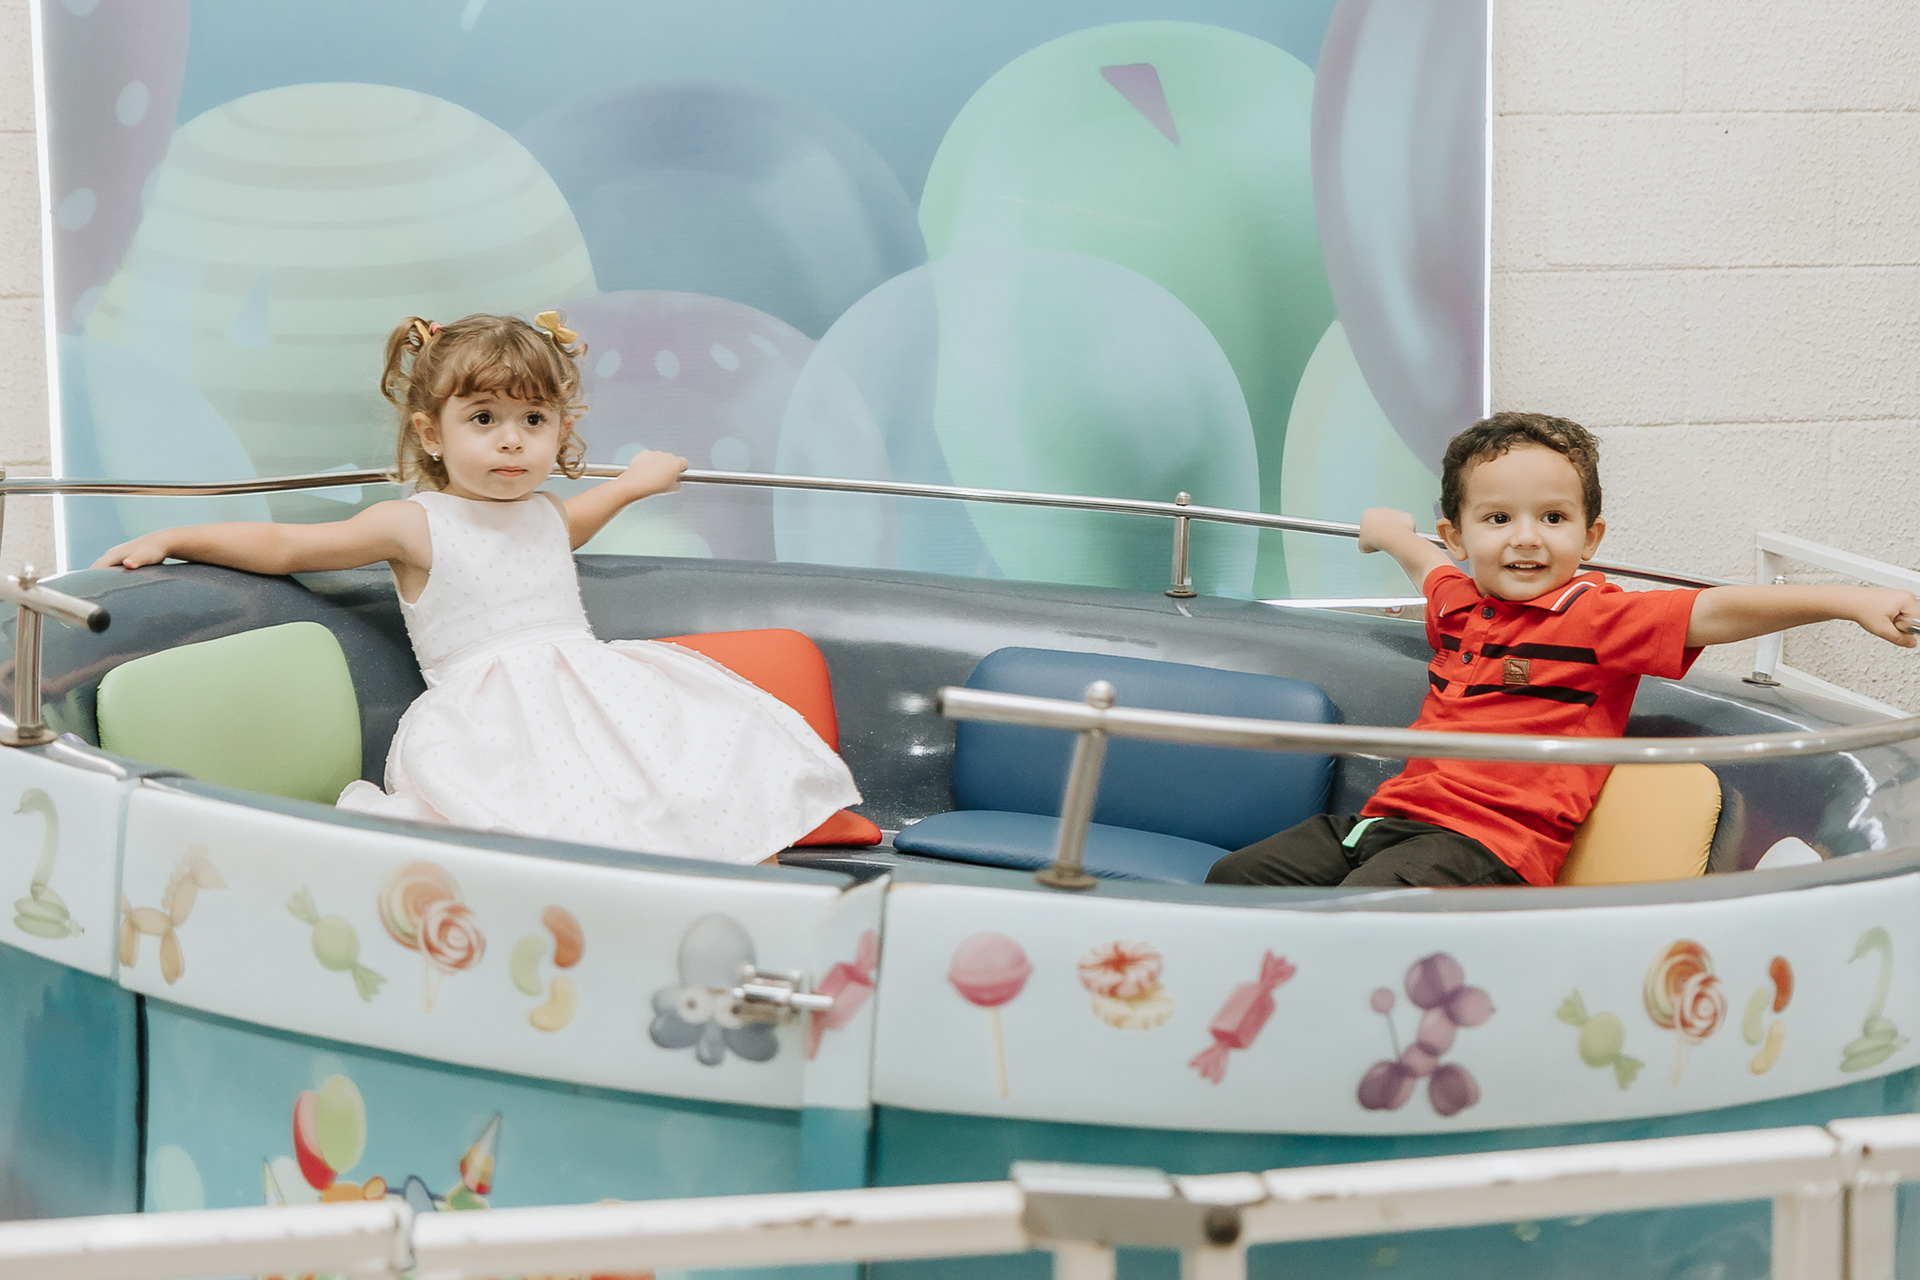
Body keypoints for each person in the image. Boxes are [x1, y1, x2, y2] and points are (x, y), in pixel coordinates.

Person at [94, 311, 861, 863]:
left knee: (696, 765)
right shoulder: (415, 524)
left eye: (534, 420)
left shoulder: (545, 514)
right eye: (485, 418)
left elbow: (581, 519)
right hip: (492, 718)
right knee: (544, 820)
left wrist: (637, 482)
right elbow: (293, 544)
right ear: (433, 433)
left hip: (592, 691)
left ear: (560, 430)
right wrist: (178, 537)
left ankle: (740, 890)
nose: (511, 440)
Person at [1208, 411, 1917, 890]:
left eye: (1553, 517)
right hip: (1385, 822)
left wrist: (1848, 601)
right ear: (1458, 535)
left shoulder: (1596, 618)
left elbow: (1716, 609)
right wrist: (1390, 532)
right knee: (1234, 880)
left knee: (1359, 916)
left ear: (1590, 536)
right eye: (1498, 518)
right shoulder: (1461, 604)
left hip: (1487, 849)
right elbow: (1427, 569)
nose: (1526, 537)